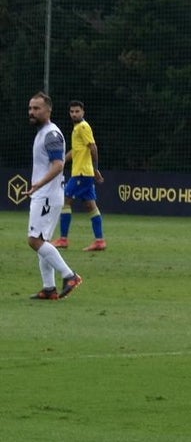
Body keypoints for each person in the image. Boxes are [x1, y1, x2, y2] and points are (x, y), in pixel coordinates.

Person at [24, 92, 83, 300]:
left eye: (36, 108)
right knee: (43, 240)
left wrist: (38, 184)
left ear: (48, 110)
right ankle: (49, 289)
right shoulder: (42, 133)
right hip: (44, 194)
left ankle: (70, 275)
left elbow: (58, 165)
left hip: (47, 195)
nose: (32, 112)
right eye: (30, 108)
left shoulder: (51, 134)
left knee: (34, 240)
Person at [53, 100, 106, 251]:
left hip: (82, 173)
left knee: (66, 200)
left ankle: (63, 239)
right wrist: (61, 161)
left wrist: (96, 169)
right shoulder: (77, 128)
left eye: (77, 111)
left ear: (83, 112)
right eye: (72, 111)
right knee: (91, 205)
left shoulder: (83, 127)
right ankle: (100, 241)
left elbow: (93, 148)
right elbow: (75, 151)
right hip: (83, 172)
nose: (74, 114)